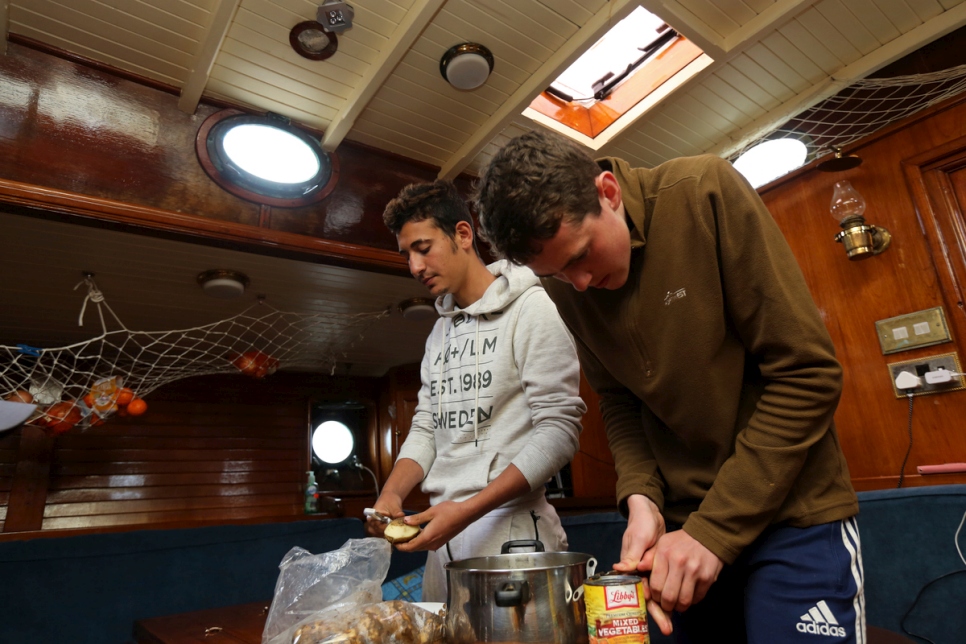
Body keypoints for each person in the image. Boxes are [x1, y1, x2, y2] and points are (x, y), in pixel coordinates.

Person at [474, 129, 864, 642]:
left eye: (580, 256)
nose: (580, 285)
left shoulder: (704, 192)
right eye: (558, 275)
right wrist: (641, 496)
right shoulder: (565, 283)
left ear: (608, 193)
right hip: (680, 537)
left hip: (794, 516)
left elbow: (807, 374)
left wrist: (714, 531)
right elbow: (618, 401)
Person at [367, 179, 586, 603]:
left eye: (423, 247)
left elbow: (560, 430)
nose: (414, 267)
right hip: (441, 539)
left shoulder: (532, 308)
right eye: (406, 254)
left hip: (513, 535)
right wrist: (391, 493)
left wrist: (467, 511)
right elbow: (428, 425)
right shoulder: (438, 334)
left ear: (463, 235)